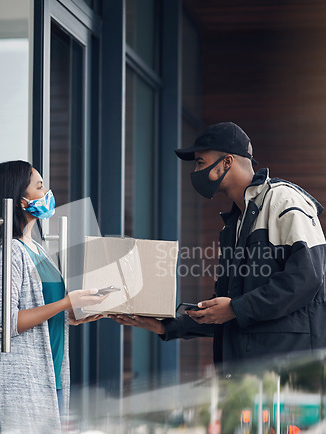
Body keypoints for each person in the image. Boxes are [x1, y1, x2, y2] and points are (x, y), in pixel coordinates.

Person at [111, 122, 326, 375]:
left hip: (288, 376)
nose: (196, 170)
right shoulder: (234, 225)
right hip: (245, 376)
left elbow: (308, 278)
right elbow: (228, 311)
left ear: (227, 162)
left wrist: (235, 308)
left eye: (201, 162)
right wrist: (168, 327)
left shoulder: (284, 200)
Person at [0, 160, 105, 434]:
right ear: (19, 199)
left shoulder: (37, 247)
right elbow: (5, 323)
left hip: (50, 379)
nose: (47, 192)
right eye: (39, 187)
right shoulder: (10, 252)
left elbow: (41, 309)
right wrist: (65, 302)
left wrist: (74, 314)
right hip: (23, 385)